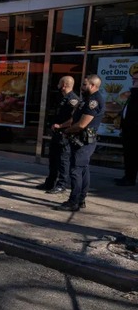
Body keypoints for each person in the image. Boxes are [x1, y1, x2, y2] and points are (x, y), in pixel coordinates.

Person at [54, 74, 105, 212]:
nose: (81, 87)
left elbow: (82, 124)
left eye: (84, 84)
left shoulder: (94, 101)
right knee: (82, 170)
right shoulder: (86, 100)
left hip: (84, 142)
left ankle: (74, 201)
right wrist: (62, 126)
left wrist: (67, 131)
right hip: (80, 141)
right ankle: (80, 199)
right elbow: (74, 118)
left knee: (76, 171)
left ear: (92, 86)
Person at [36, 76, 80, 194]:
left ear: (64, 85)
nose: (57, 85)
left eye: (59, 83)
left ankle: (62, 185)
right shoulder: (63, 98)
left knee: (62, 160)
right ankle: (50, 182)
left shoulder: (73, 100)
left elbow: (73, 119)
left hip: (64, 134)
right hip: (57, 134)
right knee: (53, 159)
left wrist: (60, 126)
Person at [115, 72, 138, 186]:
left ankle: (130, 178)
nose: (133, 81)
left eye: (136, 79)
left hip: (134, 131)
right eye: (133, 79)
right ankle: (128, 176)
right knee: (128, 155)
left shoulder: (135, 95)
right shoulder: (132, 94)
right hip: (128, 130)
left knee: (132, 156)